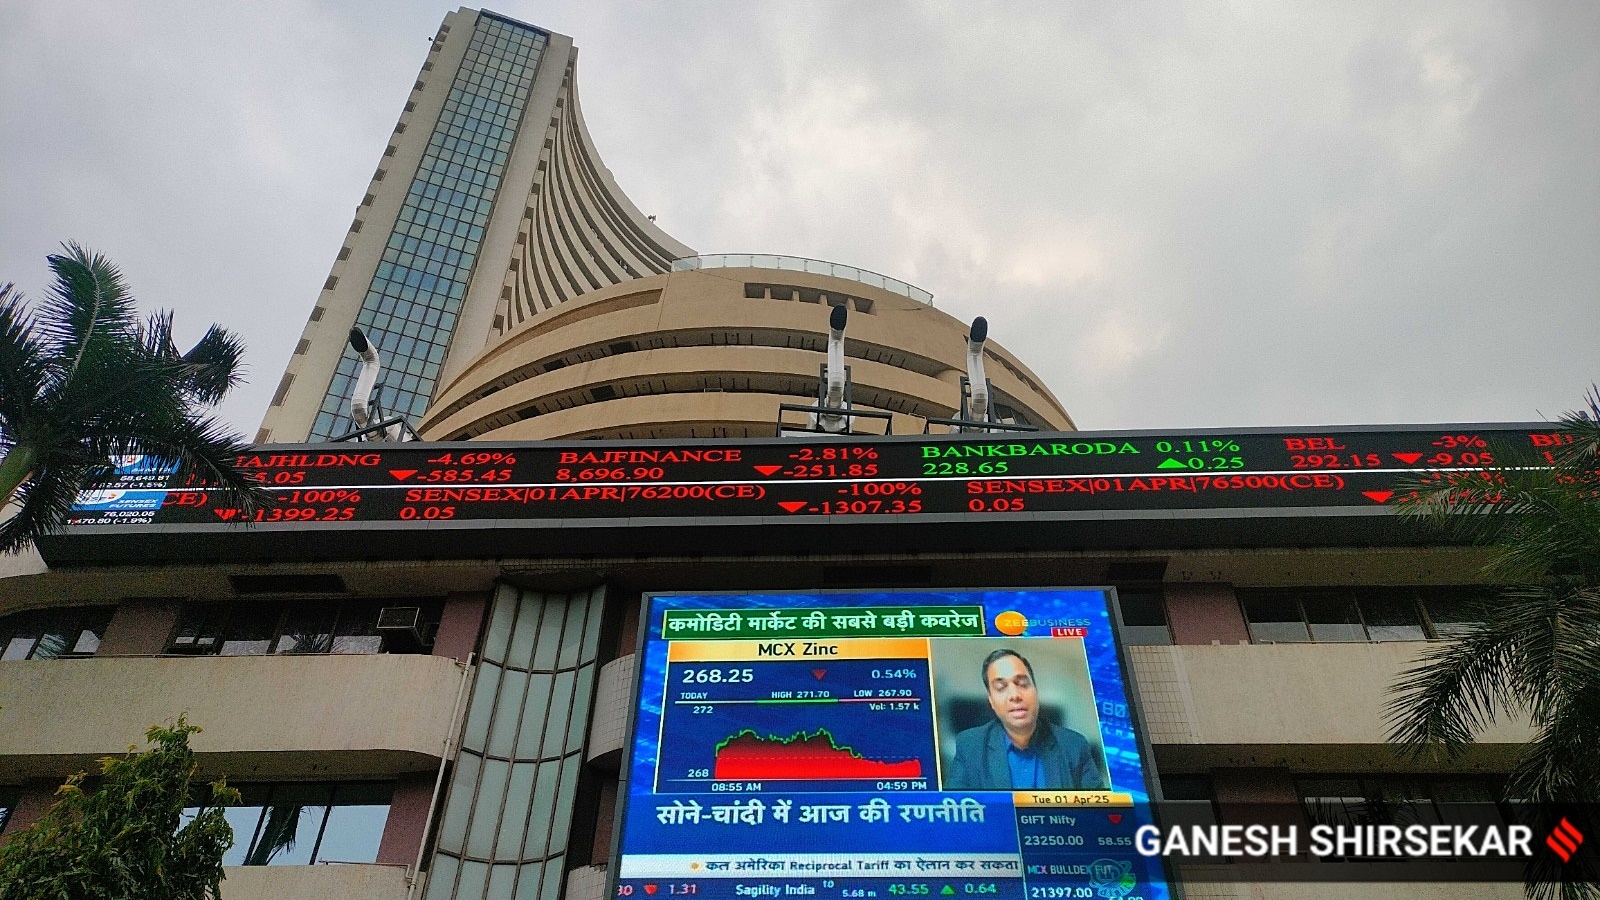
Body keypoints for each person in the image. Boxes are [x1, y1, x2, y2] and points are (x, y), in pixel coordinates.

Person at [945, 648, 1106, 790]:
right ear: (991, 701)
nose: (1015, 695)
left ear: (1036, 691)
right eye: (1001, 687)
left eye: (1022, 684)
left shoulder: (1074, 746)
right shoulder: (970, 746)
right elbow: (956, 815)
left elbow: (1099, 813)